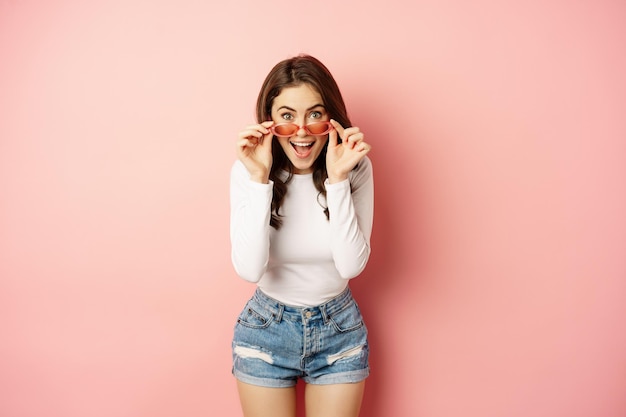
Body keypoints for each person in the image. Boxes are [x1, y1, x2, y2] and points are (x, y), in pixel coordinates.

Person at [230, 54, 374, 417]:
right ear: (269, 120)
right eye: (287, 116)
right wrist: (260, 180)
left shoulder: (356, 168)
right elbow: (249, 269)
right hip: (265, 331)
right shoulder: (247, 171)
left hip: (338, 330)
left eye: (314, 114)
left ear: (331, 119)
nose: (302, 131)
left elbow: (351, 264)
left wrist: (338, 179)